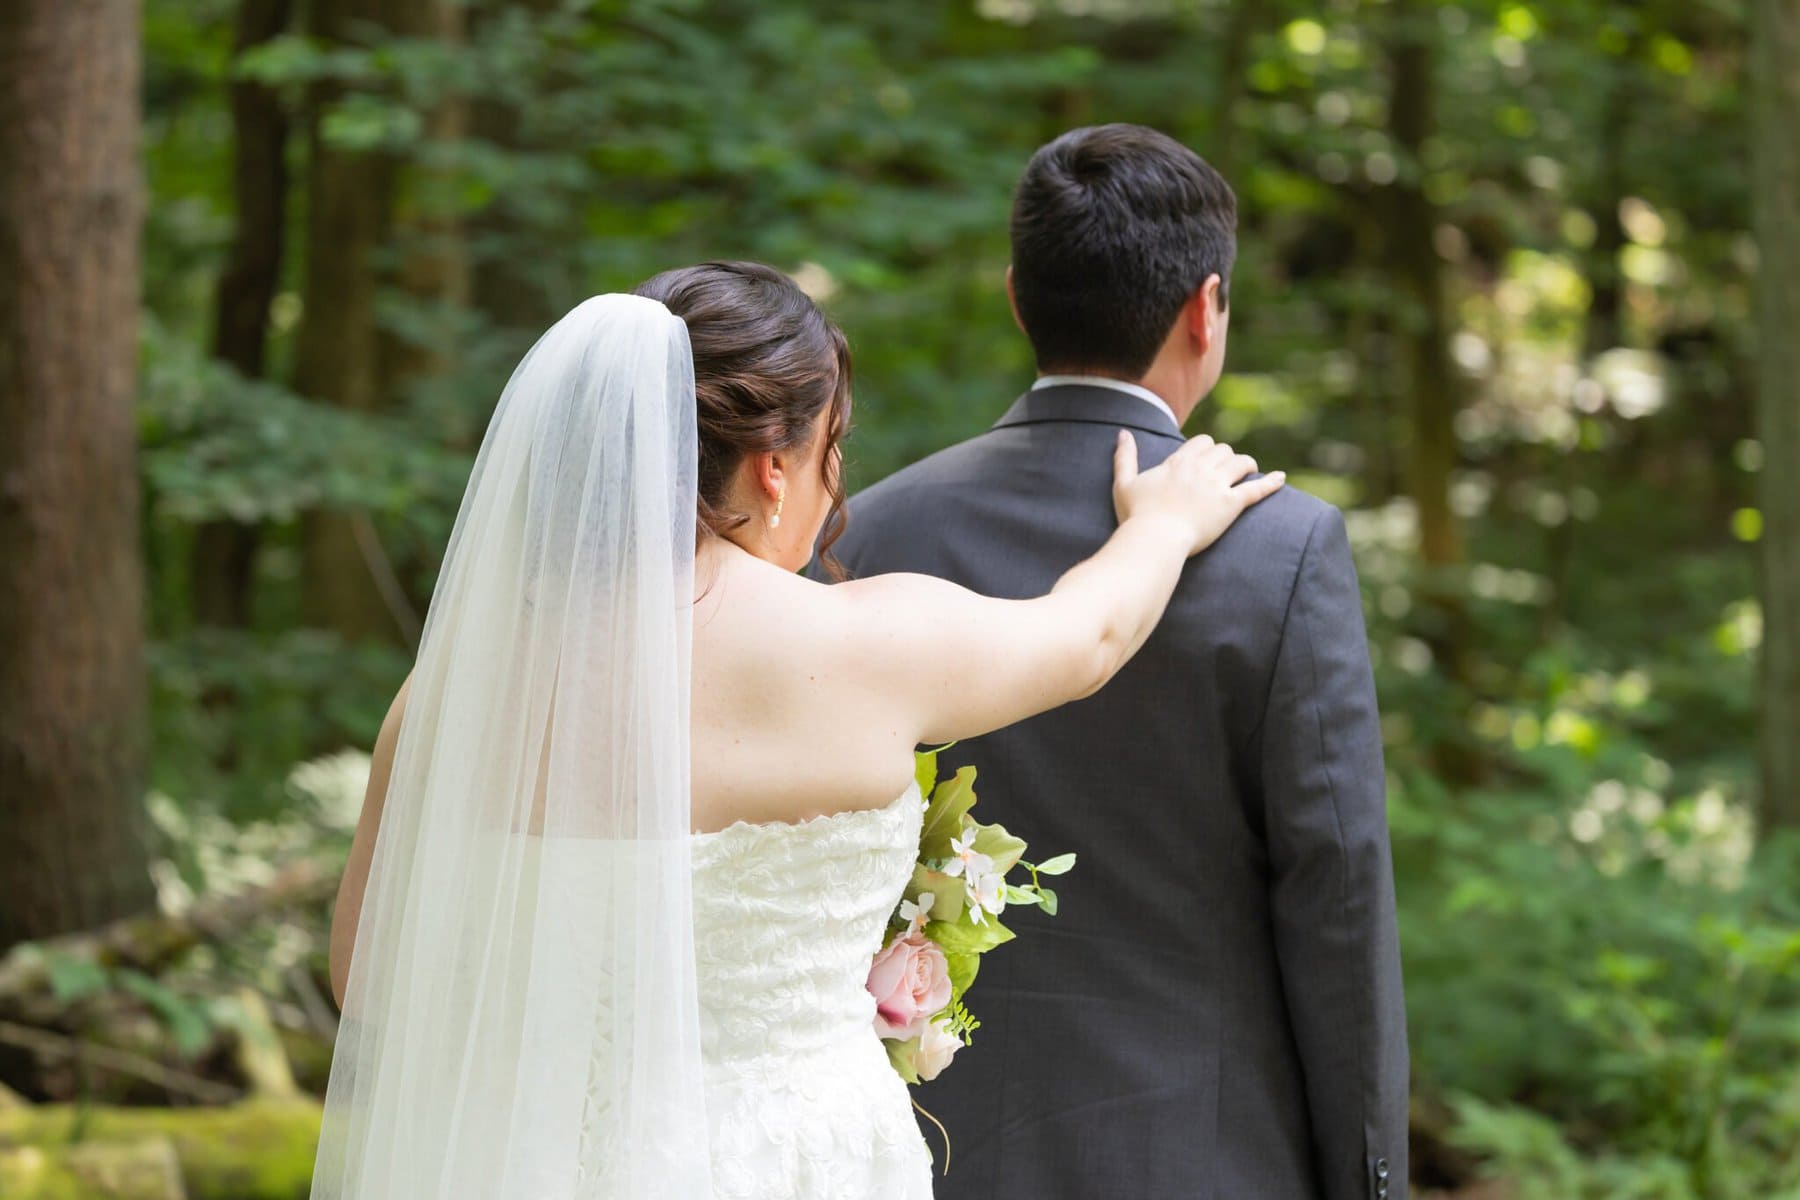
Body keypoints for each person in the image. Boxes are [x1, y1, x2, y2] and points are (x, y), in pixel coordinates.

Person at [313, 261, 1283, 1199]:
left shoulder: (446, 696)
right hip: (788, 1163)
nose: (834, 485)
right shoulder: (865, 648)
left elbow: (366, 980)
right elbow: (1089, 638)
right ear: (775, 469)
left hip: (523, 1166)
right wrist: (1163, 523)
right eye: (833, 449)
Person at [826, 125, 1411, 1200]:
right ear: (1207, 306)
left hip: (921, 1149)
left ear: (1017, 297)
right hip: (1206, 1153)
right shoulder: (1282, 550)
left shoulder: (869, 531)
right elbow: (1335, 893)